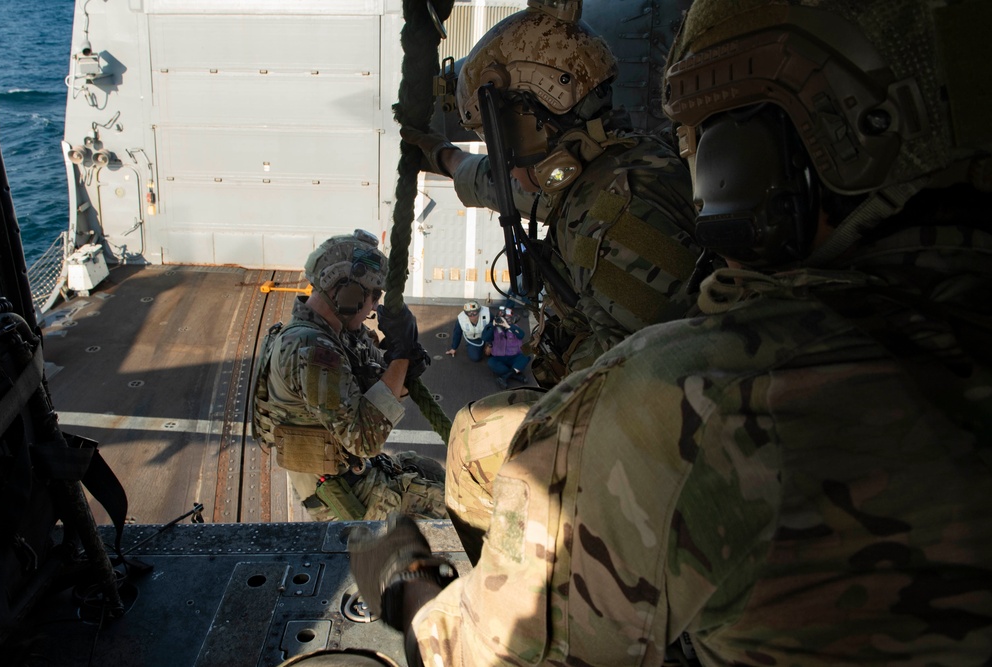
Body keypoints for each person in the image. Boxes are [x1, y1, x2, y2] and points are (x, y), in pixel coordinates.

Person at [350, 0, 992, 663]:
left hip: (671, 510)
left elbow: (470, 653)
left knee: (494, 443)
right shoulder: (600, 176)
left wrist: (405, 581)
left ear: (752, 161)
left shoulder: (672, 350)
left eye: (711, 142)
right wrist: (444, 158)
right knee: (479, 435)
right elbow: (510, 183)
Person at [403, 0, 702, 385]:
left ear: (535, 118)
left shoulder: (611, 223)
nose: (502, 160)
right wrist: (444, 158)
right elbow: (510, 187)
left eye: (498, 137)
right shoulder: (612, 165)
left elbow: (656, 396)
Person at [250, 229, 446, 522]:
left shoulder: (338, 335)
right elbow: (365, 440)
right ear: (347, 295)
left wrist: (403, 365)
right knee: (458, 509)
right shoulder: (312, 350)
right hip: (341, 493)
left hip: (353, 470)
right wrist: (401, 355)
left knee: (430, 470)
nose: (374, 307)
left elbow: (376, 390)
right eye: (374, 295)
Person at [482, 306, 530, 389]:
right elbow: (485, 338)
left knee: (526, 356)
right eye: (503, 319)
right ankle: (515, 374)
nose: (504, 321)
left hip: (514, 357)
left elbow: (521, 335)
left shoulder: (515, 327)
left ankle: (504, 377)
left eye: (508, 319)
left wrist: (508, 326)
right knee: (491, 363)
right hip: (499, 357)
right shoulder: (492, 327)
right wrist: (493, 325)